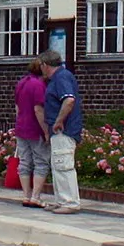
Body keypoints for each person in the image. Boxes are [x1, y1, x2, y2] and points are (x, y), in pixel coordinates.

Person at [39, 49, 84, 213]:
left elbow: (69, 100)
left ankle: (70, 202)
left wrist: (59, 120)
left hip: (64, 130)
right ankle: (61, 199)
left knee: (64, 164)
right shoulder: (57, 78)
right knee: (58, 164)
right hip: (57, 130)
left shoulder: (61, 78)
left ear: (45, 65)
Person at [13, 58, 49, 207]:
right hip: (35, 129)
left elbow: (17, 107)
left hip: (21, 127)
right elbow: (38, 109)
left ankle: (26, 195)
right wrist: (46, 130)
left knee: (25, 161)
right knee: (41, 161)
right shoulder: (39, 85)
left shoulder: (22, 83)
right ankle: (36, 196)